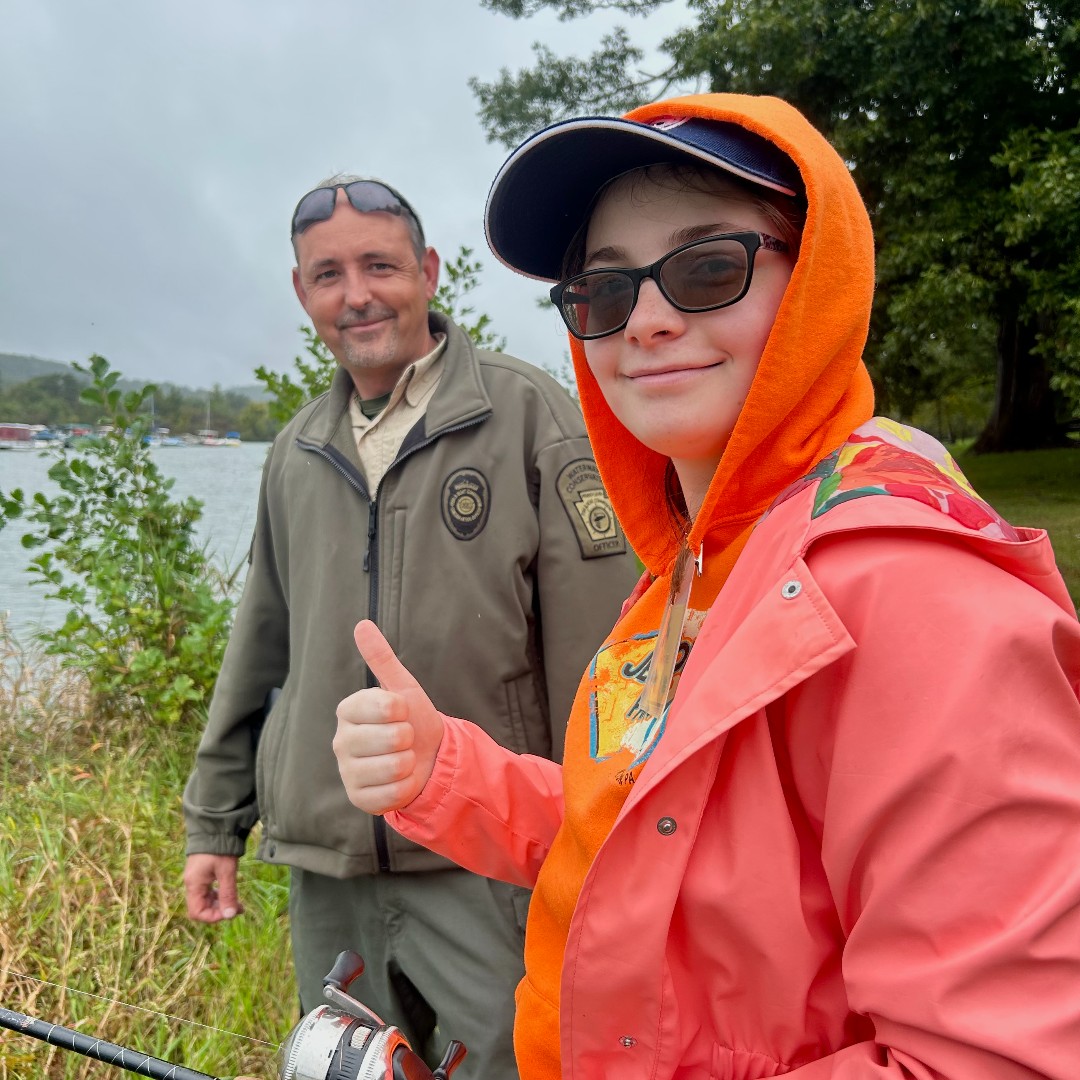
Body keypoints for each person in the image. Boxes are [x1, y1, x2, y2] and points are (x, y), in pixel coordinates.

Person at [332, 94, 1080, 1079]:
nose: (645, 321)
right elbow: (656, 841)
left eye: (707, 269)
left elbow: (996, 1057)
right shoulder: (694, 566)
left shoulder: (916, 590)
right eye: (602, 290)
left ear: (814, 279)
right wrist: (450, 776)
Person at [181, 175, 640, 1079]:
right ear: (301, 292)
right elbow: (260, 649)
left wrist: (603, 847)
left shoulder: (531, 417)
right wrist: (213, 825)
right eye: (327, 274)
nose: (356, 294)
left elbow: (606, 659)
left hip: (489, 869)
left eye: (380, 265)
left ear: (427, 271)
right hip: (331, 873)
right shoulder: (295, 451)